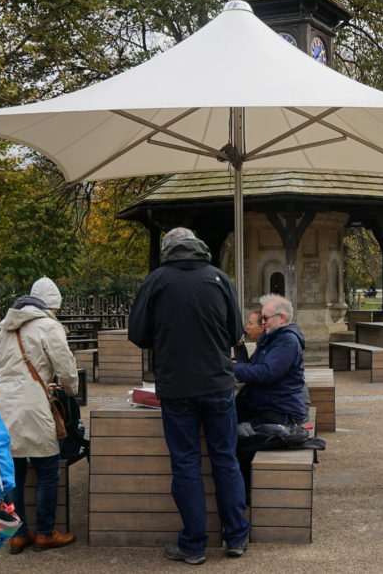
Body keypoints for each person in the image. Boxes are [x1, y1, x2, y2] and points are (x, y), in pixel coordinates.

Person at [128, 227, 249, 565]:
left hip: (176, 387)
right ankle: (236, 536)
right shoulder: (219, 278)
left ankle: (194, 545)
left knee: (186, 464)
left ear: (168, 249)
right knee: (226, 459)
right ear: (198, 245)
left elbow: (137, 334)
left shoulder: (157, 280)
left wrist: (166, 334)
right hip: (219, 384)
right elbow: (235, 332)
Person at [0, 276, 79, 553]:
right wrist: (69, 389)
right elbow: (65, 366)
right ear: (52, 306)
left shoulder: (5, 327)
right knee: (47, 469)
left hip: (3, 403)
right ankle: (45, 532)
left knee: (13, 472)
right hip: (34, 405)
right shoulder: (48, 326)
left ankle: (17, 533)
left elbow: (4, 365)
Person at [234, 294, 307, 426]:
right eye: (262, 318)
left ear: (282, 318)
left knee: (233, 432)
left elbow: (266, 373)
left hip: (282, 413)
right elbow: (252, 367)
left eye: (265, 318)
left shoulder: (287, 341)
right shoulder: (271, 339)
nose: (262, 322)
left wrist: (230, 368)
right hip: (268, 405)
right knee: (224, 412)